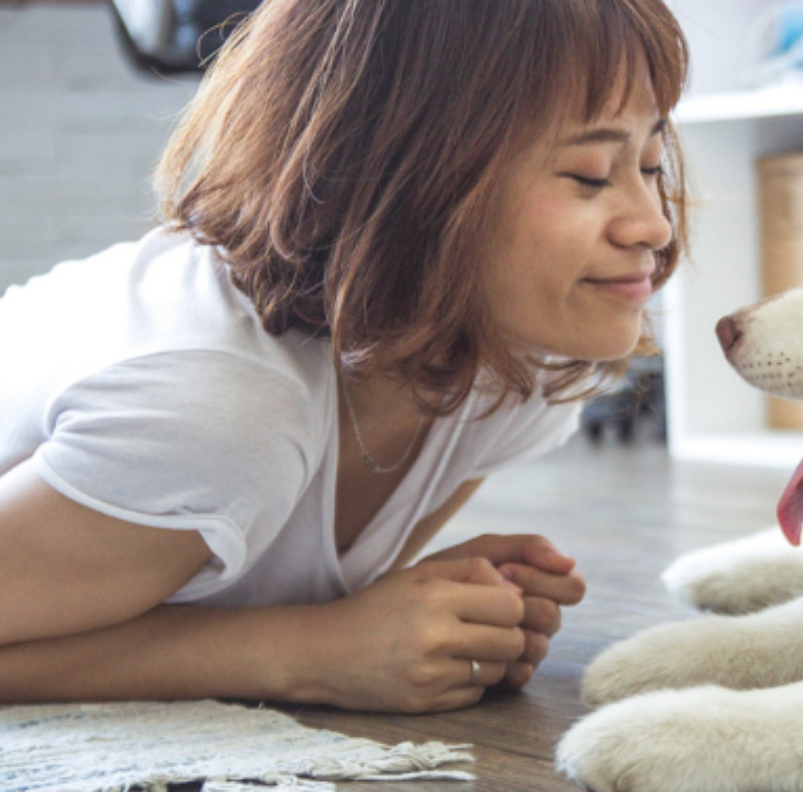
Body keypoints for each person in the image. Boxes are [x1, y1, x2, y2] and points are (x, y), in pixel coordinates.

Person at [0, 0, 688, 714]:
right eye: (588, 175)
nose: (654, 223)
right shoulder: (217, 410)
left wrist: (424, 610)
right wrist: (302, 652)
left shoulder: (518, 368)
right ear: (405, 173)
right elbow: (302, 630)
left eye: (650, 162)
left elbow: (290, 591)